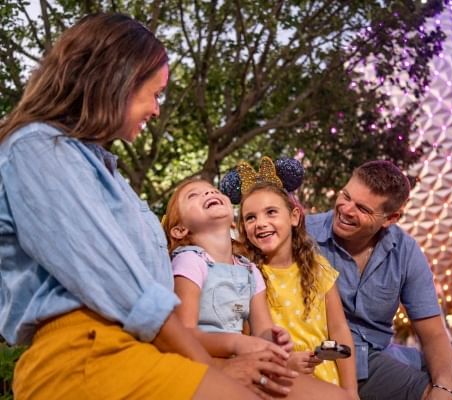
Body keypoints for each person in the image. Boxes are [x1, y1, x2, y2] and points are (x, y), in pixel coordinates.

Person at [0, 13, 291, 399]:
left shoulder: (111, 178)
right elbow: (122, 283)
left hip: (145, 347)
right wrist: (212, 369)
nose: (156, 110)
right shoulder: (35, 147)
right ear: (117, 79)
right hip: (84, 350)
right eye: (155, 94)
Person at [305, 160, 452, 400]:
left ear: (391, 218)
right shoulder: (304, 236)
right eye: (346, 196)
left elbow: (433, 334)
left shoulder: (406, 251)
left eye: (363, 209)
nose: (347, 209)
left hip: (383, 351)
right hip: (338, 355)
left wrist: (444, 385)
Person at [162, 176, 352, 400]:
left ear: (232, 222)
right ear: (179, 230)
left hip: (244, 358)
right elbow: (183, 333)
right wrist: (238, 343)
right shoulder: (190, 261)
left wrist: (274, 338)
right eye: (193, 195)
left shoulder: (249, 270)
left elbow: (262, 330)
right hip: (206, 360)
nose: (208, 193)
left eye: (213, 190)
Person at [228, 157, 359, 400]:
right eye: (250, 217)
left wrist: (351, 391)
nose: (261, 223)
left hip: (328, 383)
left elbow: (339, 329)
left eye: (271, 212)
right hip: (278, 384)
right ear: (242, 227)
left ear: (294, 216)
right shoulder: (247, 275)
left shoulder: (318, 267)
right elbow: (247, 342)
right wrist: (285, 364)